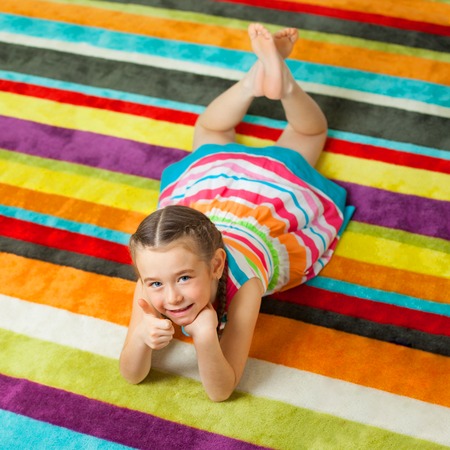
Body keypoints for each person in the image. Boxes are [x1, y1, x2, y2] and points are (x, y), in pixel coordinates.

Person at [119, 23, 353, 401]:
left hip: (267, 200)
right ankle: (262, 79)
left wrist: (207, 336)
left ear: (215, 266)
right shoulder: (153, 275)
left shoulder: (247, 288)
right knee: (212, 129)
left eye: (183, 278)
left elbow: (221, 391)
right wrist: (142, 340)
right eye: (157, 284)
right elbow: (131, 374)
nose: (172, 298)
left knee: (306, 135)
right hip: (212, 197)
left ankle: (275, 84)